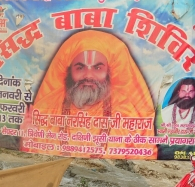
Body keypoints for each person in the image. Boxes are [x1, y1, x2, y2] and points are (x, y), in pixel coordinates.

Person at [20, 30, 157, 159]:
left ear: (109, 72)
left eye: (97, 68)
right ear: (69, 71)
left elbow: (142, 158)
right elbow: (34, 161)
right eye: (80, 67)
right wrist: (26, 141)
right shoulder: (48, 107)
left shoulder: (125, 110)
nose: (88, 75)